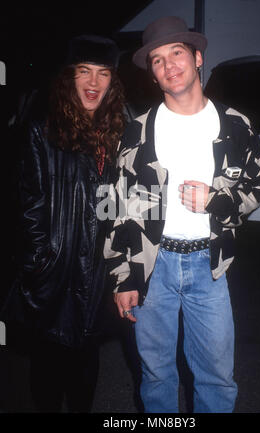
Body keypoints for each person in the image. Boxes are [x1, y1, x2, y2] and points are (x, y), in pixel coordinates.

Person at [103, 16, 260, 413]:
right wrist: (121, 277)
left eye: (176, 53)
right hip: (152, 267)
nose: (168, 66)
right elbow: (114, 205)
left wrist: (216, 199)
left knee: (216, 377)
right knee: (156, 373)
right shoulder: (137, 132)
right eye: (157, 60)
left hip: (208, 268)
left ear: (197, 58)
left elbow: (257, 188)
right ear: (153, 74)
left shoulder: (235, 126)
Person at [1, 34, 125, 412]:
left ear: (112, 81)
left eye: (103, 74)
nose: (93, 83)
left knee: (87, 362)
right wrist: (40, 261)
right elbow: (29, 204)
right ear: (69, 77)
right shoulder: (44, 130)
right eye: (84, 71)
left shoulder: (118, 131)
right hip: (55, 270)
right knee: (49, 365)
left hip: (98, 271)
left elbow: (120, 203)